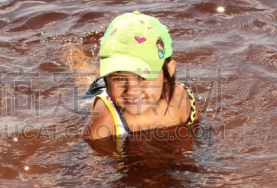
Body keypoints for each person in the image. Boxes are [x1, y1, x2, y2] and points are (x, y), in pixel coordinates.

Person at [83, 11, 199, 140]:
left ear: (168, 72)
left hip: (114, 87)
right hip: (101, 90)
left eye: (142, 76)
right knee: (83, 82)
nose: (132, 90)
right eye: (120, 78)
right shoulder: (105, 115)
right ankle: (77, 60)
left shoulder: (181, 100)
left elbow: (199, 134)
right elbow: (89, 152)